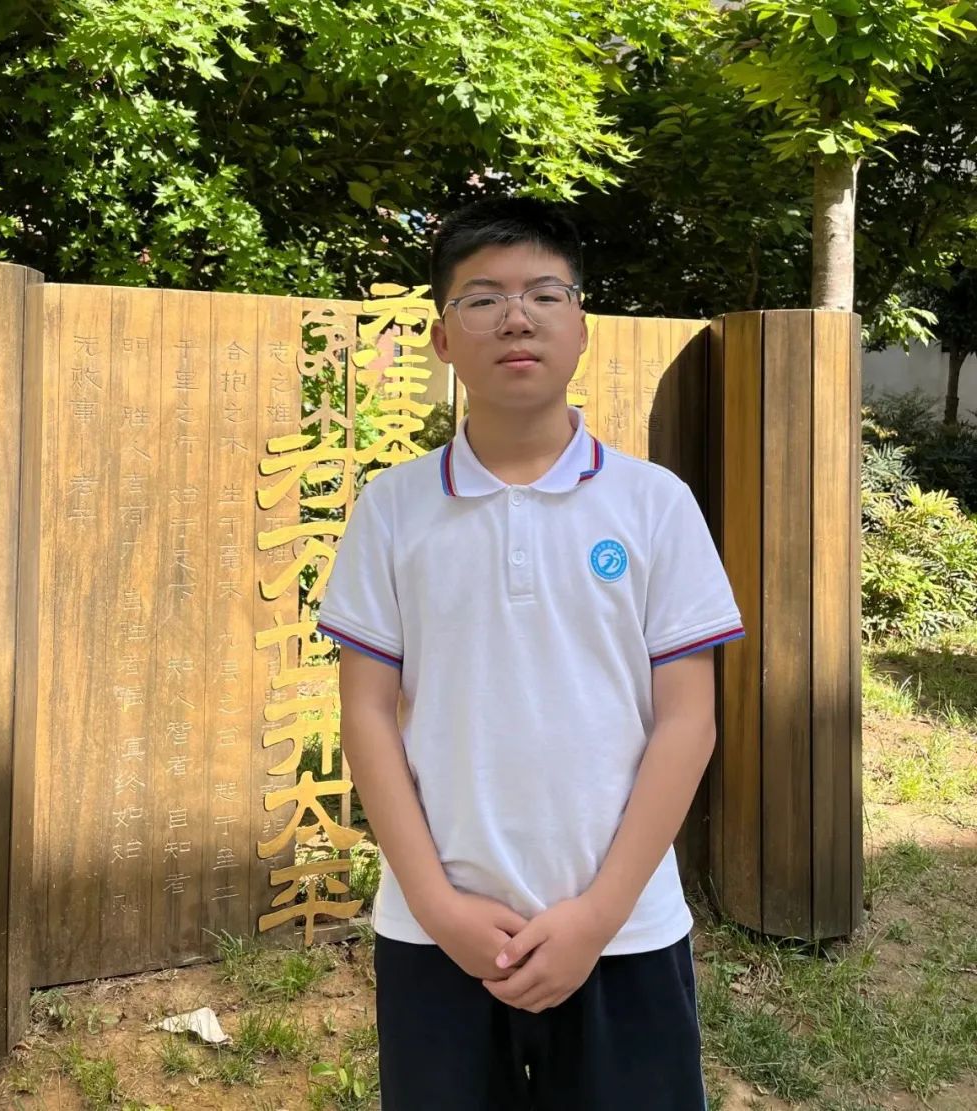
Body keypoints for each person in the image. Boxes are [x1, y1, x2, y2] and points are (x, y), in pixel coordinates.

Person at [317, 197, 744, 1110]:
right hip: (437, 933)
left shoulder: (654, 504)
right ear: (443, 339)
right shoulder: (392, 510)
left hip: (624, 930)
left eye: (545, 293)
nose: (516, 317)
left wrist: (595, 916)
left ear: (581, 325)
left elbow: (688, 721)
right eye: (483, 298)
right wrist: (437, 906)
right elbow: (366, 715)